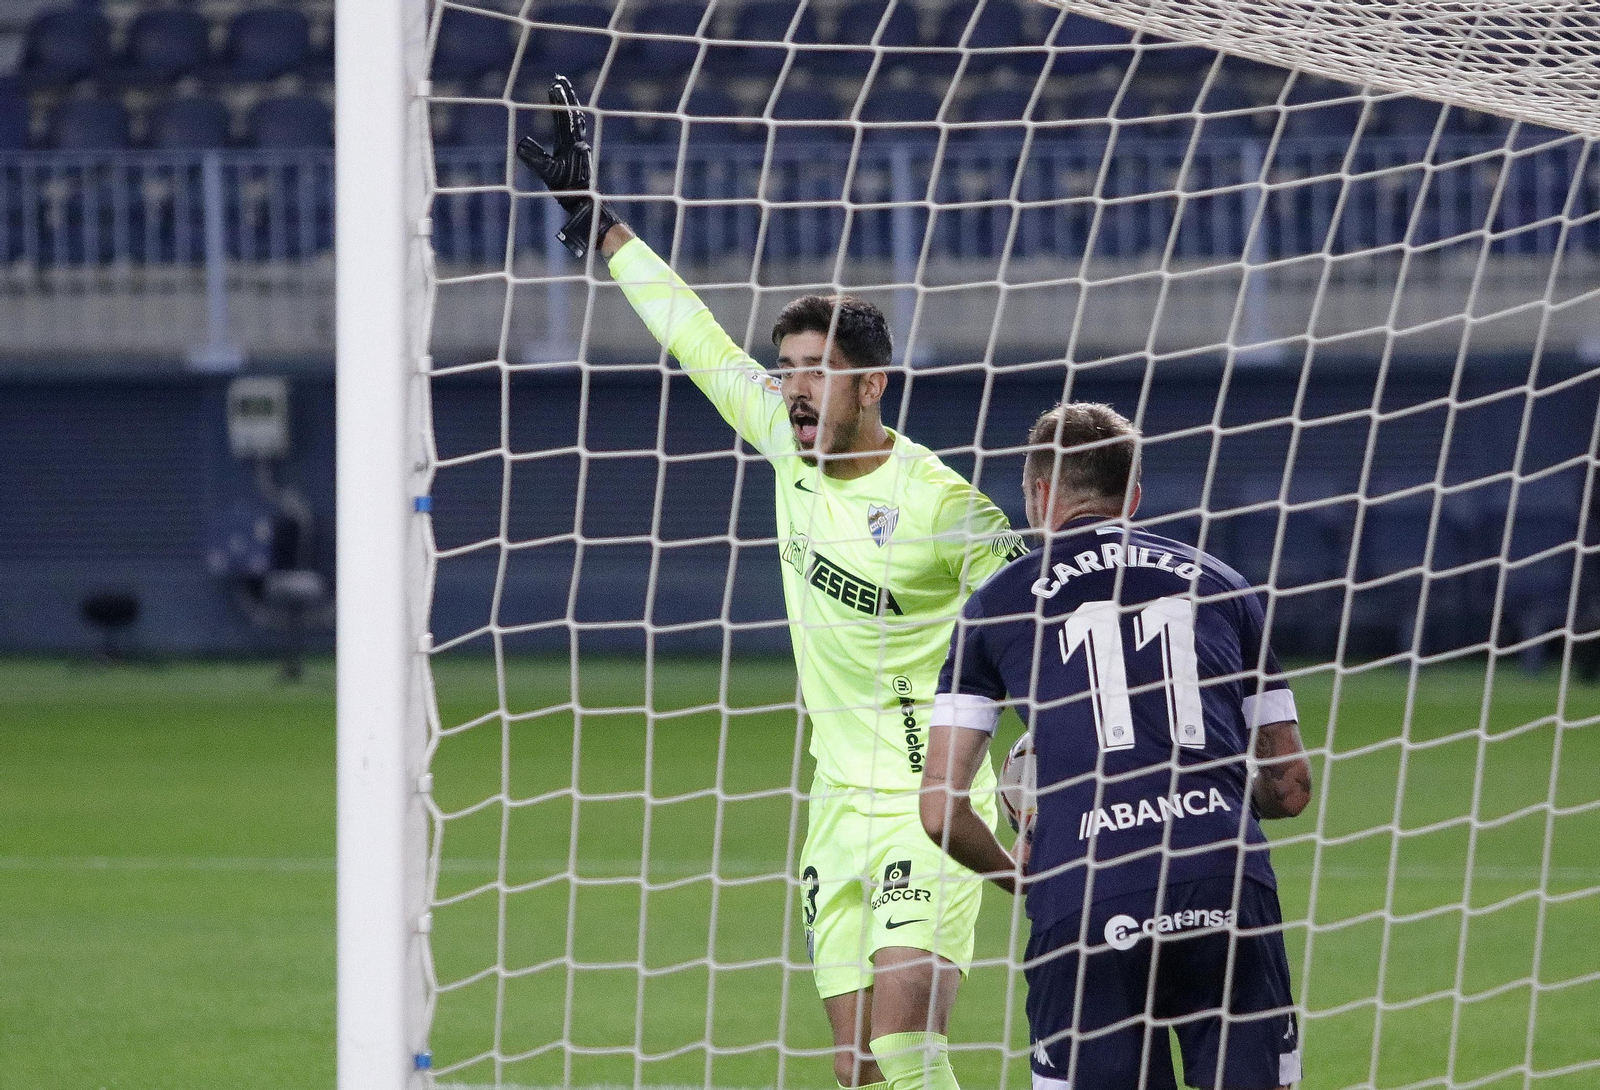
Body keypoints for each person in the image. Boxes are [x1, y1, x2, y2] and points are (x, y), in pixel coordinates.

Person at [518, 77, 1029, 1090]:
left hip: (930, 799)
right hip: (832, 800)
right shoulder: (786, 447)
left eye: (815, 368)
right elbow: (694, 335)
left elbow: (1035, 604)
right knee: (855, 1067)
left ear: (870, 384)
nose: (792, 384)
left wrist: (1039, 747)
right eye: (786, 365)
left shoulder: (942, 503)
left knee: (903, 1047)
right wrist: (597, 220)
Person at [919, 401, 1313, 1090]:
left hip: (1084, 892)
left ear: (1039, 494)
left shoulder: (996, 603)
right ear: (1132, 496)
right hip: (1222, 878)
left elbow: (939, 809)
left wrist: (1026, 875)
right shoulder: (1222, 582)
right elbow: (1290, 786)